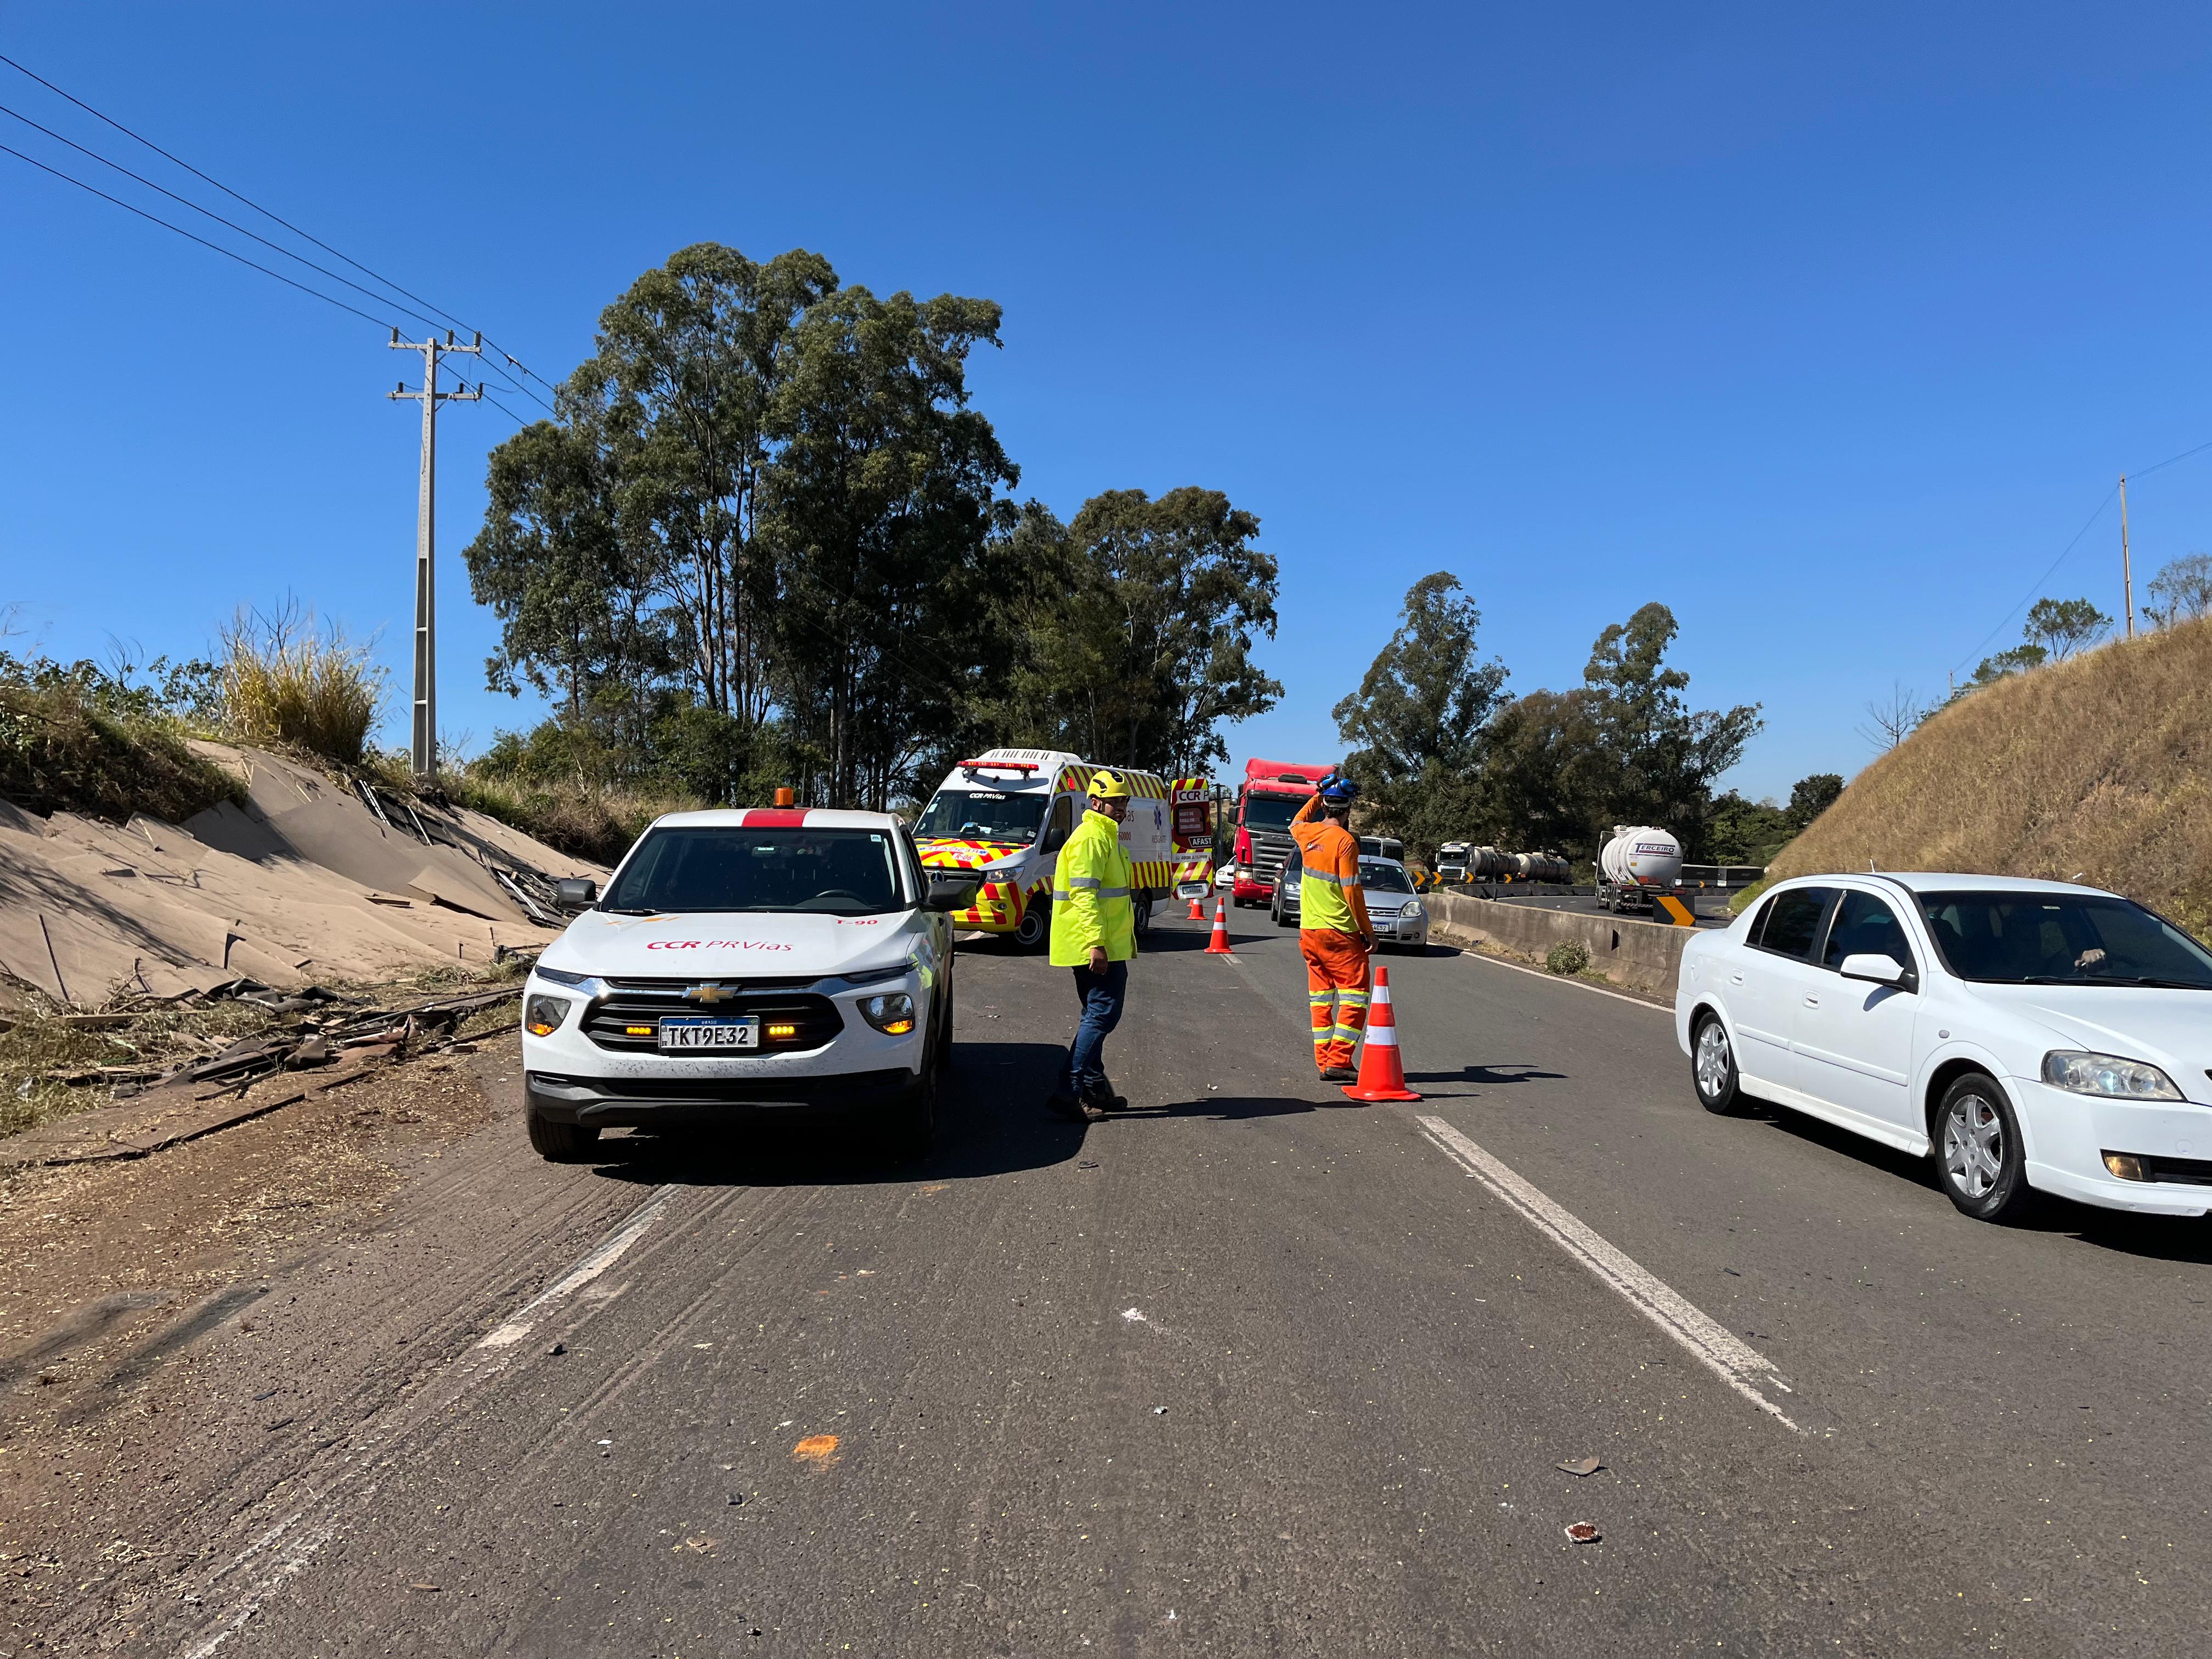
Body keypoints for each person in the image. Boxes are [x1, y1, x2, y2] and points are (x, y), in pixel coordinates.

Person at [1046, 768, 1138, 1122]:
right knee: (1102, 1015)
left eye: (1124, 801)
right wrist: (1097, 944)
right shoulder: (1091, 838)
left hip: (1102, 945)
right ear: (1096, 802)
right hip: (1095, 947)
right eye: (1115, 802)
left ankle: (1094, 1088)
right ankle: (1067, 1091)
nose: (1121, 808)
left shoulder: (1106, 836)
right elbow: (1084, 895)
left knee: (1095, 1015)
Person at [1289, 771, 1374, 1083]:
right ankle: (1339, 1060)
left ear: (1325, 805)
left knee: (1321, 999)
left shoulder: (1307, 834)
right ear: (1349, 809)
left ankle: (1325, 1061)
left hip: (1309, 933)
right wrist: (1368, 931)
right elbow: (1352, 890)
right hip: (1339, 933)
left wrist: (1318, 793)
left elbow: (1296, 821)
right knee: (1355, 995)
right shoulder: (1346, 842)